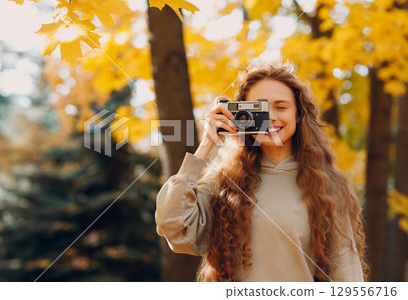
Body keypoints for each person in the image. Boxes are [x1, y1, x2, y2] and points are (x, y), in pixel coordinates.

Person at [155, 62, 370, 282]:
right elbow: (174, 226)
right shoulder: (223, 181)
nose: (270, 118)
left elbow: (346, 273)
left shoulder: (327, 186)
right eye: (260, 108)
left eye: (281, 106)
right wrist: (207, 144)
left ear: (298, 114)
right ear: (242, 116)